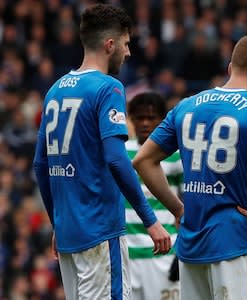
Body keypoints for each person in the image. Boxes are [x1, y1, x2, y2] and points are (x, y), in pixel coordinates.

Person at [32, 4, 175, 299]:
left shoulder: (55, 89)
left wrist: (56, 221)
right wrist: (150, 220)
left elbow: (39, 163)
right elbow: (116, 159)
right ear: (110, 45)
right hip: (100, 231)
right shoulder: (108, 87)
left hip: (69, 233)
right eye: (126, 43)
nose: (129, 52)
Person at [133, 33, 247, 300]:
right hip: (236, 242)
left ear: (230, 67)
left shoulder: (186, 106)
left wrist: (178, 209)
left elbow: (143, 161)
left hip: (191, 244)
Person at [125, 92, 183, 300]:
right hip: (126, 255)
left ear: (162, 120)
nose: (145, 123)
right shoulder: (120, 154)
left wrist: (182, 250)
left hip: (165, 254)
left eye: (151, 118)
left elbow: (188, 205)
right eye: (140, 118)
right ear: (131, 119)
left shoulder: (175, 156)